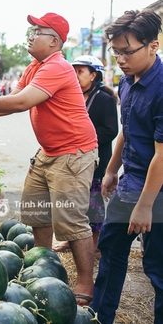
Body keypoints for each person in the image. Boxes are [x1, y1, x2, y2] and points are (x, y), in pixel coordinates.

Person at [0, 12, 99, 305]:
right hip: (49, 152)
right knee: (37, 212)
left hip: (73, 153)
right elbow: (12, 104)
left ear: (54, 41)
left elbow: (21, 102)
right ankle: (46, 268)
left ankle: (85, 282)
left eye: (37, 31)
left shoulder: (57, 67)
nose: (30, 36)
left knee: (71, 221)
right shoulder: (35, 67)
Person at [92, 10, 163, 323]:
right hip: (131, 181)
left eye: (127, 51)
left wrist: (145, 206)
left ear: (153, 46)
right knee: (111, 248)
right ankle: (100, 315)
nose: (120, 58)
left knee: (157, 267)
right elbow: (127, 129)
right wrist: (110, 170)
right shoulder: (126, 82)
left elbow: (162, 155)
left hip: (156, 190)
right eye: (115, 51)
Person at [53, 55, 119, 256]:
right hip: (71, 159)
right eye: (74, 70)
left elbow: (111, 130)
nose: (75, 75)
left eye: (80, 71)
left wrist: (82, 136)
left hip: (95, 161)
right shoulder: (71, 96)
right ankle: (68, 241)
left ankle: (95, 245)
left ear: (93, 76)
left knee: (93, 205)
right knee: (72, 204)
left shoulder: (105, 99)